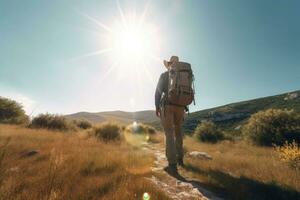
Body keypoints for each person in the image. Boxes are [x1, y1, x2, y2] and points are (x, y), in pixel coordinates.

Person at [155, 55, 186, 173]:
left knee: (169, 133)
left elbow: (158, 92)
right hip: (181, 108)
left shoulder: (164, 75)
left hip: (167, 106)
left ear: (169, 64)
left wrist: (157, 106)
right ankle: (180, 159)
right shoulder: (184, 74)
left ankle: (172, 164)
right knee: (178, 133)